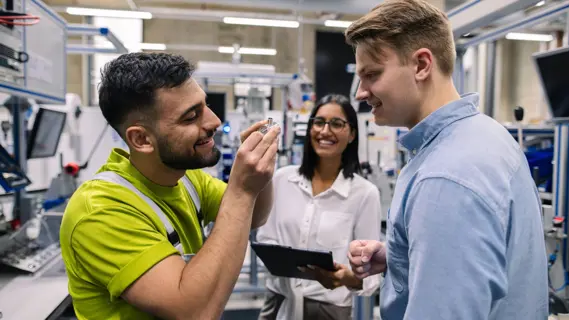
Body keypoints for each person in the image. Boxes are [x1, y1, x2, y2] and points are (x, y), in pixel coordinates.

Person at [344, 0, 548, 319]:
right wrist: (403, 257)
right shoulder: (487, 135)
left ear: (422, 65)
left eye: (372, 74)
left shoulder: (446, 176)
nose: (360, 92)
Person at [59, 52, 280, 320]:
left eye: (205, 105)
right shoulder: (100, 211)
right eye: (191, 117)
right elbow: (195, 312)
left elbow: (255, 216)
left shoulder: (185, 178)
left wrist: (261, 173)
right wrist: (243, 189)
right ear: (141, 139)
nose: (214, 122)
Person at [256, 94, 382, 320]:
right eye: (319, 122)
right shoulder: (282, 180)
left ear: (352, 134)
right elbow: (266, 240)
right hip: (278, 303)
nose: (325, 131)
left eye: (337, 124)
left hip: (328, 310)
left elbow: (371, 276)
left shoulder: (364, 194)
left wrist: (346, 278)